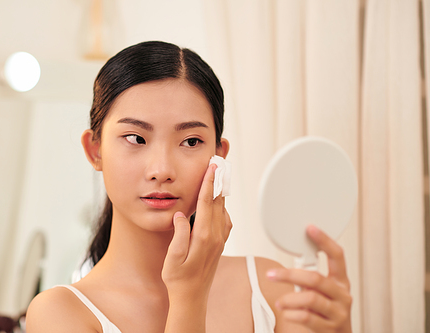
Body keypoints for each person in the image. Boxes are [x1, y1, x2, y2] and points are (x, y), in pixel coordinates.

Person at [26, 41, 352, 333]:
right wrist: (189, 297)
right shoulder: (60, 314)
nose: (162, 170)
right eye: (136, 138)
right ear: (95, 150)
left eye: (191, 141)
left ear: (218, 156)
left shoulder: (269, 288)